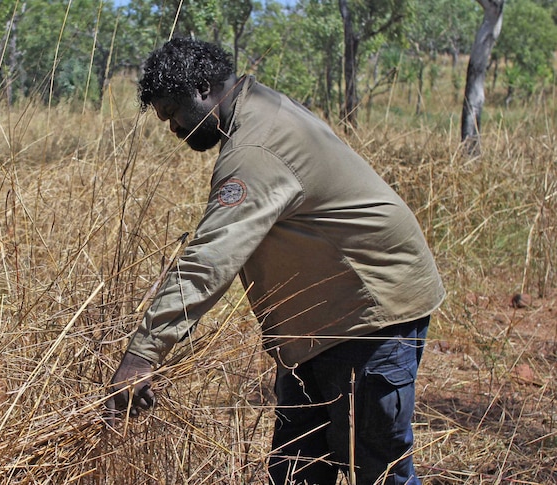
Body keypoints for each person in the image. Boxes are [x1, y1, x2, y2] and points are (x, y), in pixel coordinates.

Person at [104, 38, 445, 485]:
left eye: (173, 113)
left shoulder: (255, 150)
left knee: (377, 471)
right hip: (320, 326)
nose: (173, 129)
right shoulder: (260, 109)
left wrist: (141, 356)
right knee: (296, 471)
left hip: (369, 316)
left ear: (204, 88)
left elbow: (210, 260)